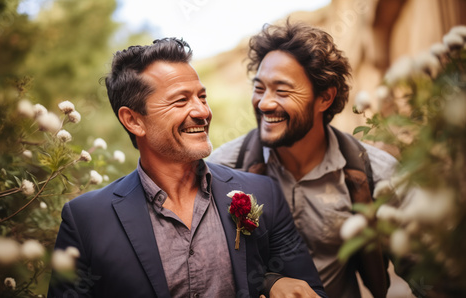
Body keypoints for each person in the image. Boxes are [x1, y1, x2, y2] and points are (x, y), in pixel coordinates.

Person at [47, 37, 327, 298]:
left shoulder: (263, 192)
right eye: (181, 100)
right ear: (133, 120)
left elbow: (307, 290)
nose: (203, 112)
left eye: (202, 97)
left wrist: (271, 281)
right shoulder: (85, 220)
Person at [208, 21, 398, 298]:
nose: (264, 103)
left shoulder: (377, 173)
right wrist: (267, 281)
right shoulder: (221, 169)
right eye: (259, 88)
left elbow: (426, 272)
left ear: (325, 98)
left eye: (282, 91)